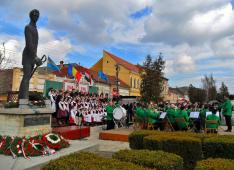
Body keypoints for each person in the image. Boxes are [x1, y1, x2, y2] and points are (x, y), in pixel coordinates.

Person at [18, 9, 43, 100]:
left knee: (27, 78)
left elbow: (34, 45)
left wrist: (35, 56)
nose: (36, 17)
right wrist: (35, 57)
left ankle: (23, 98)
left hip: (32, 56)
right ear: (30, 16)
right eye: (34, 15)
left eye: (37, 15)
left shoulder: (35, 28)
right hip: (28, 56)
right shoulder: (28, 27)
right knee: (26, 77)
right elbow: (29, 44)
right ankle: (23, 100)